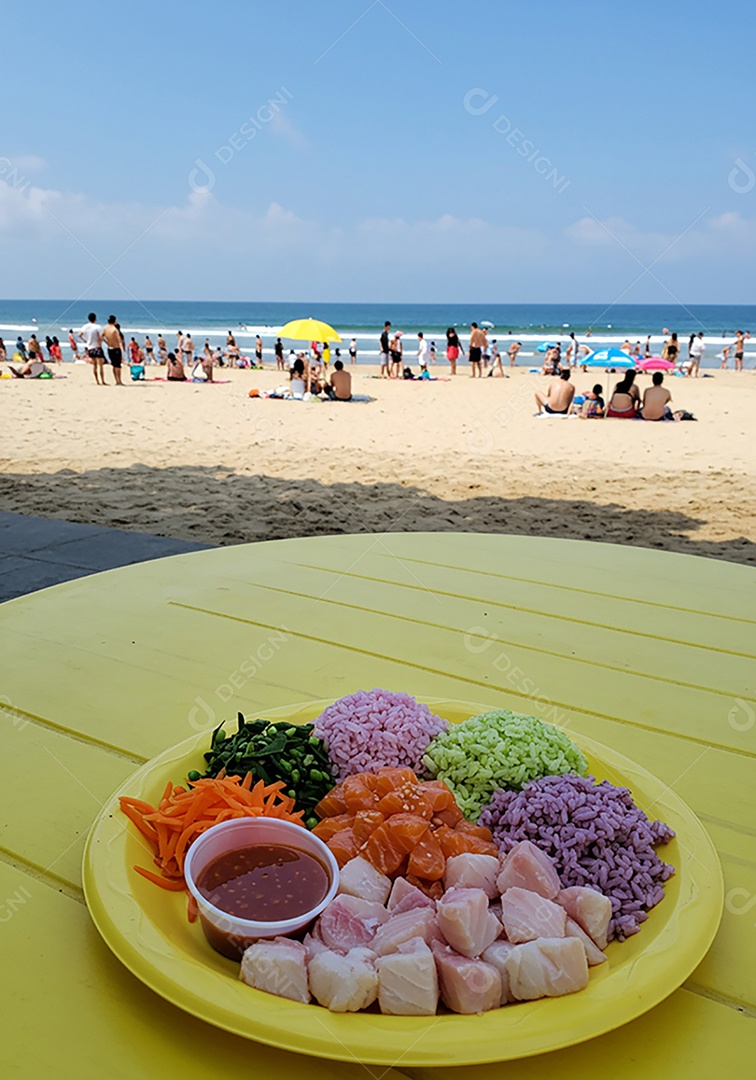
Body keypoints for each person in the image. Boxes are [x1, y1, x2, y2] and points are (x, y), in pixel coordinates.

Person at [79, 312, 107, 385]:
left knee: (94, 365)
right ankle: (102, 381)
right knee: (101, 365)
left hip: (90, 347)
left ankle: (97, 381)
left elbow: (80, 334)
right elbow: (100, 337)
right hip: (97, 347)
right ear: (95, 318)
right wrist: (102, 343)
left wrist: (85, 340)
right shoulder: (97, 327)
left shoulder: (85, 326)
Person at [102, 315, 124, 386]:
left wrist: (106, 342)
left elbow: (101, 336)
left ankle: (116, 380)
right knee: (118, 365)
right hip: (116, 348)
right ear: (114, 321)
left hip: (109, 348)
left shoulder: (105, 328)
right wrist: (122, 347)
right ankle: (119, 381)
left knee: (114, 365)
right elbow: (119, 339)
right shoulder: (115, 329)